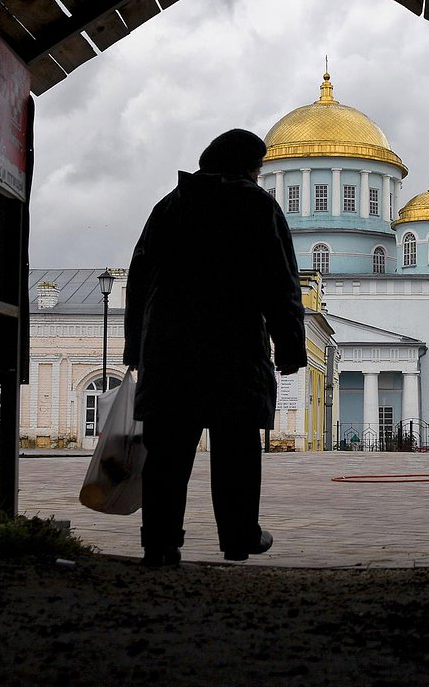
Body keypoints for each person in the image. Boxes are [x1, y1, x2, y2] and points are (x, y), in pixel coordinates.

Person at [123, 128, 306, 568]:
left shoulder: (169, 205)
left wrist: (135, 347)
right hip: (234, 347)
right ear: (249, 166)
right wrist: (290, 345)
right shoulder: (257, 205)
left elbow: (138, 278)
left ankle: (160, 543)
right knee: (237, 446)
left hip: (168, 350)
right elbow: (279, 280)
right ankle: (239, 536)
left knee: (166, 450)